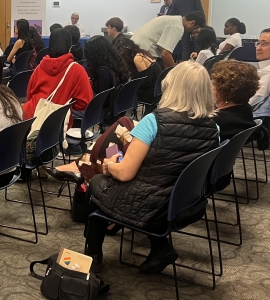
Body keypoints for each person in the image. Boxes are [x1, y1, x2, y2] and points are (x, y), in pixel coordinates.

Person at [84, 62, 219, 274]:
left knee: (96, 182)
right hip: (185, 203)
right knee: (144, 183)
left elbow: (126, 173)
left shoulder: (154, 121)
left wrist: (110, 166)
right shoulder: (214, 127)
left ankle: (93, 254)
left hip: (149, 206)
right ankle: (159, 247)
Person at [23, 28, 92, 128]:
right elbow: (84, 103)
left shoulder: (39, 67)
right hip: (58, 123)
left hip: (32, 117)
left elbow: (29, 94)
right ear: (70, 46)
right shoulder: (77, 70)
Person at [130, 11, 205, 68]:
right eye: (194, 29)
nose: (192, 32)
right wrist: (175, 72)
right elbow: (165, 54)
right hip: (143, 50)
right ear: (192, 23)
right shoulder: (178, 27)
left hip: (134, 47)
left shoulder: (174, 20)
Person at [210, 60, 259, 142]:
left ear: (223, 90)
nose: (210, 86)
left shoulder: (217, 121)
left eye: (213, 83)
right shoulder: (245, 109)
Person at [115, 38, 163, 113]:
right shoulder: (141, 53)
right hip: (157, 89)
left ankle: (125, 115)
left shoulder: (137, 58)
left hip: (151, 92)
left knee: (122, 92)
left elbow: (146, 81)